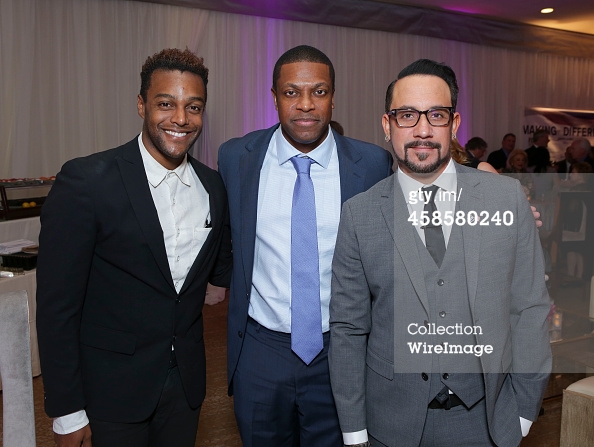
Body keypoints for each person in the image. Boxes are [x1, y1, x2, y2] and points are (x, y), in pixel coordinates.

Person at [329, 59, 551, 447]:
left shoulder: (506, 198)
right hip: (390, 425)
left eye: (436, 114)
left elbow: (529, 307)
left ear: (454, 123)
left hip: (486, 423)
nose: (422, 130)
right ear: (387, 126)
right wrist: (353, 429)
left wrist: (523, 411)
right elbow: (348, 329)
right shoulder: (359, 214)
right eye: (407, 115)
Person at [36, 48, 232, 447]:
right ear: (141, 104)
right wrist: (66, 412)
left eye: (193, 107)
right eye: (166, 103)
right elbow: (57, 308)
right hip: (108, 394)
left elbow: (220, 272)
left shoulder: (213, 187)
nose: (180, 118)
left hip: (185, 391)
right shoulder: (87, 181)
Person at [217, 44, 392, 446]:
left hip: (341, 350)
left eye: (319, 91)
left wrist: (485, 188)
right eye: (292, 92)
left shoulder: (371, 165)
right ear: (275, 98)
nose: (306, 105)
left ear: (333, 97)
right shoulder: (236, 158)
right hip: (260, 349)